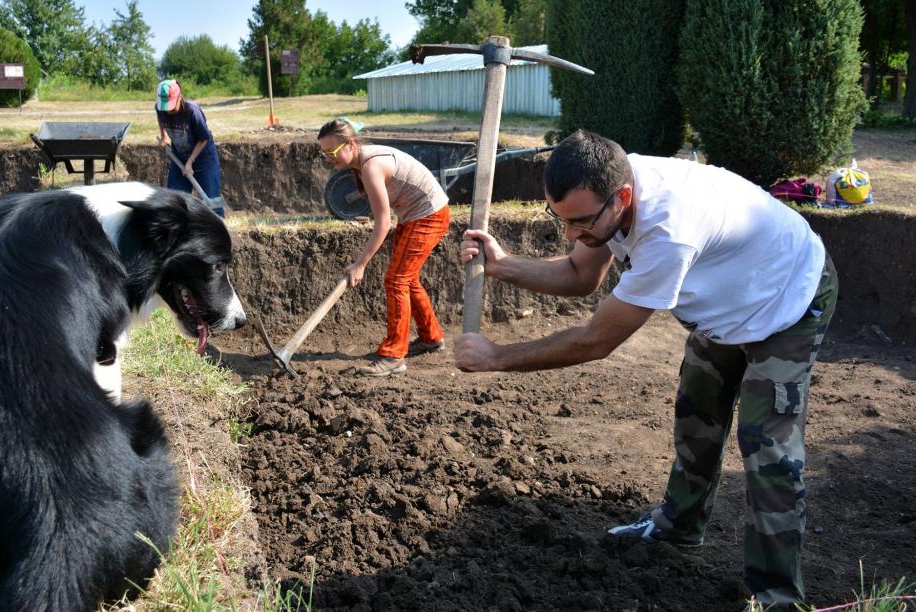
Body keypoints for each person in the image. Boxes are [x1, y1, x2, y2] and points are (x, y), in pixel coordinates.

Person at [455, 129, 837, 611]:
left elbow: (597, 341)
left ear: (624, 197)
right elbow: (579, 275)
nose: (572, 235)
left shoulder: (666, 231)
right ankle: (679, 528)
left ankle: (778, 598)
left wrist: (496, 357)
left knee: (767, 447)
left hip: (787, 301)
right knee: (697, 413)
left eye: (580, 223)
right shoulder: (607, 188)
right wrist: (504, 265)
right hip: (724, 309)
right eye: (561, 220)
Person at [318, 118, 450, 377]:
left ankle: (393, 356)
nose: (328, 158)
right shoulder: (360, 163)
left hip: (429, 215)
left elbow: (383, 222)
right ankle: (431, 337)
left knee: (396, 280)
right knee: (406, 279)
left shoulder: (370, 166)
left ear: (351, 145)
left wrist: (361, 264)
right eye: (324, 153)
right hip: (416, 215)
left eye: (332, 152)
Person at [154, 79, 224, 217]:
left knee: (213, 207)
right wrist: (164, 136)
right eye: (165, 107)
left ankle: (218, 230)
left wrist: (190, 161)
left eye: (171, 106)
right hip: (179, 159)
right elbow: (160, 115)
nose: (168, 111)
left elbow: (203, 138)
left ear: (179, 97)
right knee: (174, 203)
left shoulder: (192, 111)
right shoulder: (160, 107)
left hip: (204, 161)